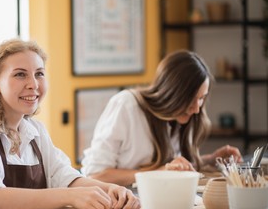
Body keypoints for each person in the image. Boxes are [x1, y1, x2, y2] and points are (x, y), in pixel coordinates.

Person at [0, 38, 139, 209]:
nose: (33, 84)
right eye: (20, 74)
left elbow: (64, 177)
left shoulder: (34, 131)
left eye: (39, 73)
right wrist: (70, 197)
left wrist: (110, 189)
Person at [81, 50, 243, 186]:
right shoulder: (127, 106)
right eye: (190, 99)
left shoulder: (180, 118)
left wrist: (210, 159)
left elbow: (170, 167)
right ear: (170, 93)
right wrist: (160, 172)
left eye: (201, 98)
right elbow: (96, 176)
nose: (196, 109)